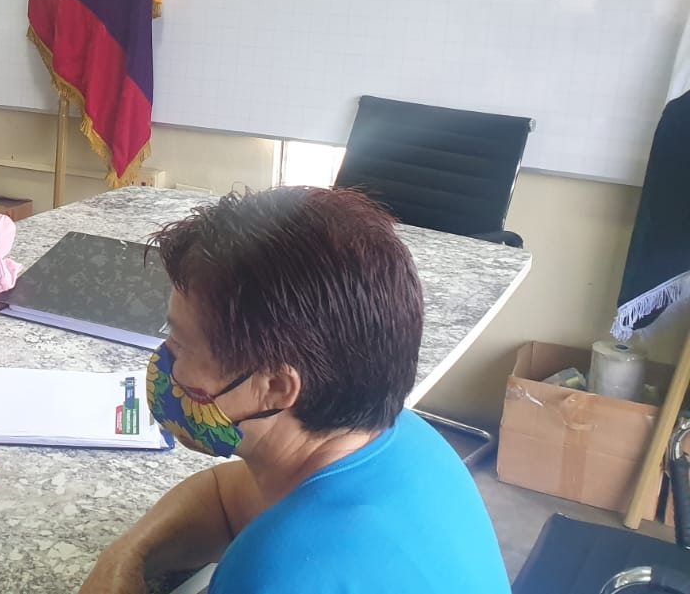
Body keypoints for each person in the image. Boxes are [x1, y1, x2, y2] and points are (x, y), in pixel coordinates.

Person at [80, 187, 509, 594]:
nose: (166, 359)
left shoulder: (276, 572)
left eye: (181, 343)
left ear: (275, 386)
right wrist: (125, 557)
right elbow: (224, 498)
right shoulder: (406, 438)